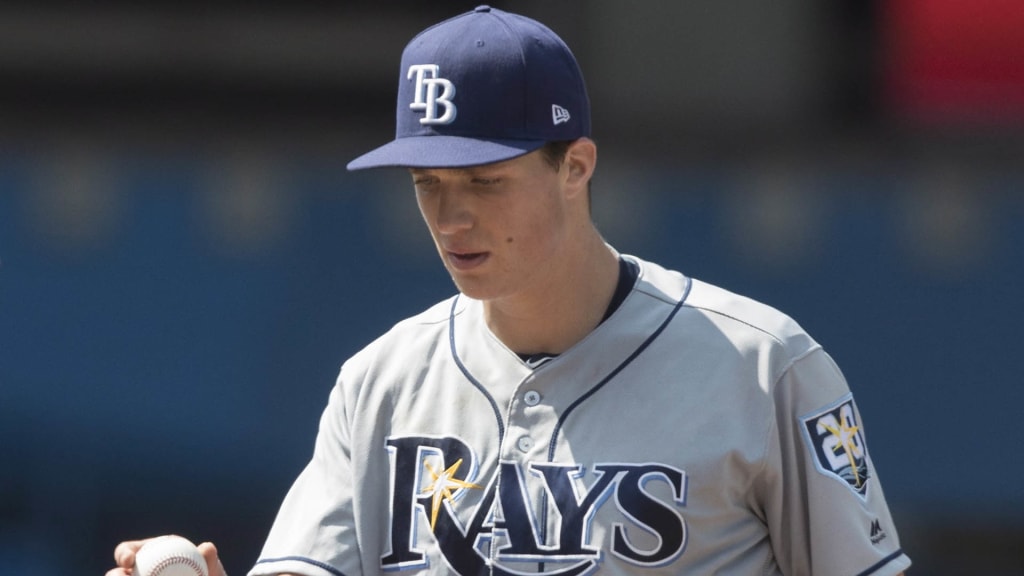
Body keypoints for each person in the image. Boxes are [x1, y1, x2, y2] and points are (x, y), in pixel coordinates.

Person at [108, 6, 911, 576]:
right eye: (427, 183)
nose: (452, 218)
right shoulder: (381, 382)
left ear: (577, 167)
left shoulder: (764, 366)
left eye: (486, 182)